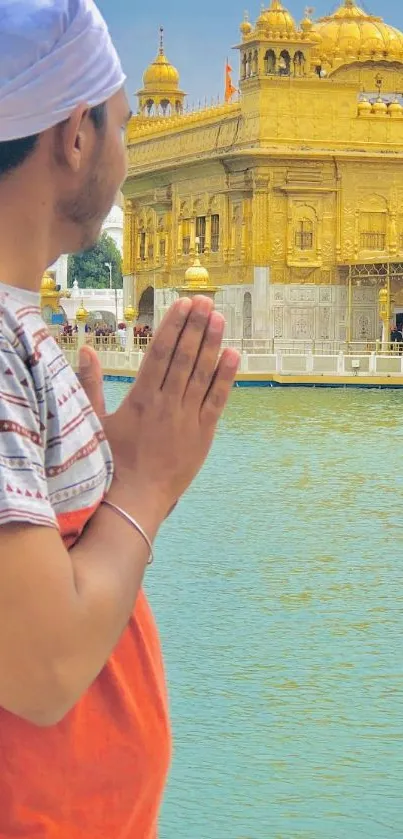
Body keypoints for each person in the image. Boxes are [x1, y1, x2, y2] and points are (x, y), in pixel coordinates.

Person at [0, 2, 240, 838]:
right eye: (125, 126)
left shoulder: (21, 330)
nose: (128, 154)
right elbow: (42, 664)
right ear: (75, 135)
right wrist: (143, 482)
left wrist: (112, 499)